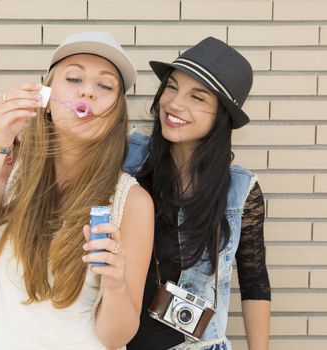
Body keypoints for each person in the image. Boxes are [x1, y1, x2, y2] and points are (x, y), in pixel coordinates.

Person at [0, 31, 154, 350]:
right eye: (74, 78)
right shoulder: (11, 171)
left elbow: (116, 337)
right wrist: (0, 139)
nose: (88, 92)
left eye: (105, 85)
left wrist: (116, 282)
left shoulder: (131, 202)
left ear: (116, 115)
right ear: (47, 99)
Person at [123, 37, 271, 350]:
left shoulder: (240, 191)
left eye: (198, 97)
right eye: (172, 87)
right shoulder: (127, 158)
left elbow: (255, 281)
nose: (174, 103)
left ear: (221, 116)